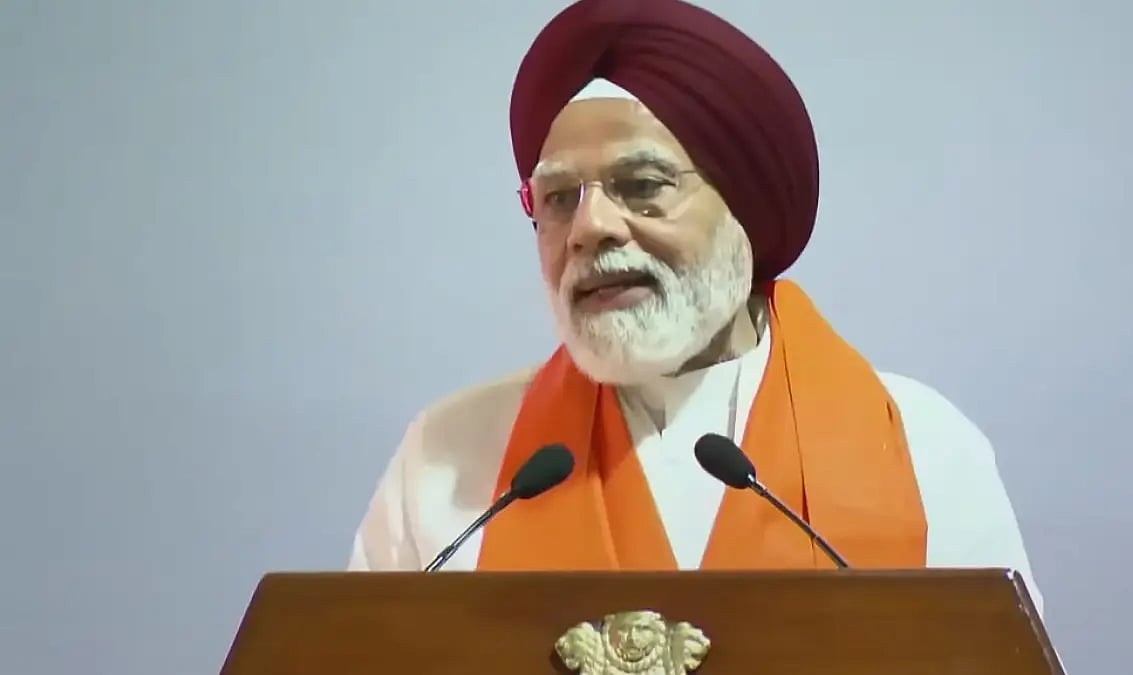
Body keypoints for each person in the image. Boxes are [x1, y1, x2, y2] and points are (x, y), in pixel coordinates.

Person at [348, 0, 1044, 615]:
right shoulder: (450, 459)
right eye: (559, 198)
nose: (590, 228)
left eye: (643, 183)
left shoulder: (925, 449)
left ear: (746, 205)